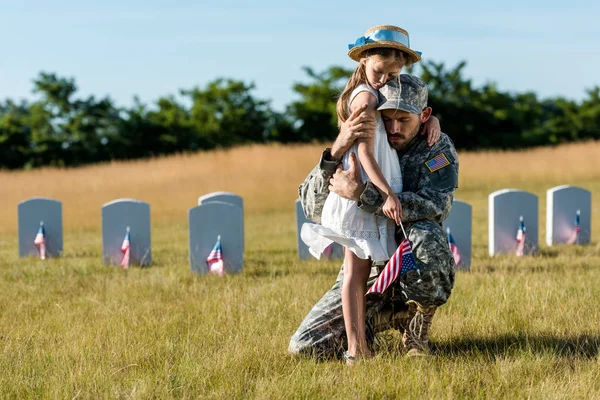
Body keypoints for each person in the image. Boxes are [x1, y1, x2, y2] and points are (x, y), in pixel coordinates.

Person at [290, 74, 459, 359]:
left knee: (427, 236)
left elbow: (435, 205)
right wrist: (337, 149)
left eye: (404, 119)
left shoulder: (436, 147)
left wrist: (363, 194)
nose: (393, 128)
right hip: (365, 262)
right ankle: (381, 318)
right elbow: (312, 207)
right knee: (305, 347)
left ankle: (416, 324)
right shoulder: (360, 139)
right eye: (387, 118)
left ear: (425, 114)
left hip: (409, 254)